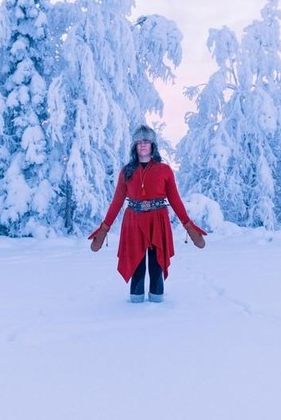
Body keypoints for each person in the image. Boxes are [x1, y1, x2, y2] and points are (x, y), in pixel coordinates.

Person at [88, 125, 207, 303]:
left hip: (157, 220)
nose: (143, 145)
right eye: (139, 142)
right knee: (136, 261)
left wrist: (188, 225)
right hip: (133, 221)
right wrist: (104, 227)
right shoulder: (126, 171)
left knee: (156, 261)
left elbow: (175, 199)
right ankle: (136, 298)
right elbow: (117, 201)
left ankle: (156, 297)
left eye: (146, 142)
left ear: (153, 146)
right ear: (134, 147)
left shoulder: (164, 170)